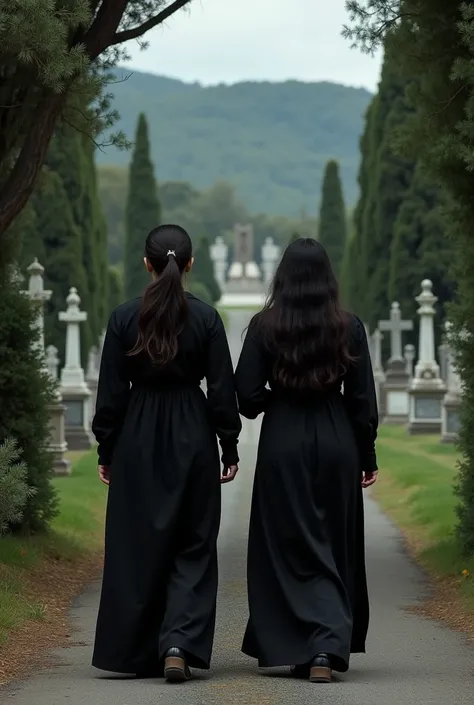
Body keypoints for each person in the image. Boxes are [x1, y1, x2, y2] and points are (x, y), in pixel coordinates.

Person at [91, 224, 241, 682]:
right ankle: (179, 642)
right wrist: (228, 444)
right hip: (192, 432)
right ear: (190, 263)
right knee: (193, 543)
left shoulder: (122, 318)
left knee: (137, 542)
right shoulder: (207, 318)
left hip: (137, 433)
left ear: (146, 263)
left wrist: (107, 447)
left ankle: (136, 651)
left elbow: (112, 395)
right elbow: (221, 390)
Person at [235, 238, 378, 684]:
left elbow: (247, 397)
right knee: (333, 541)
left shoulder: (264, 326)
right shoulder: (348, 326)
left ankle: (299, 642)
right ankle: (326, 645)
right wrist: (366, 455)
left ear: (283, 277)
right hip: (336, 437)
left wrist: (275, 397)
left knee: (287, 543)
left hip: (283, 437)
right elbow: (362, 402)